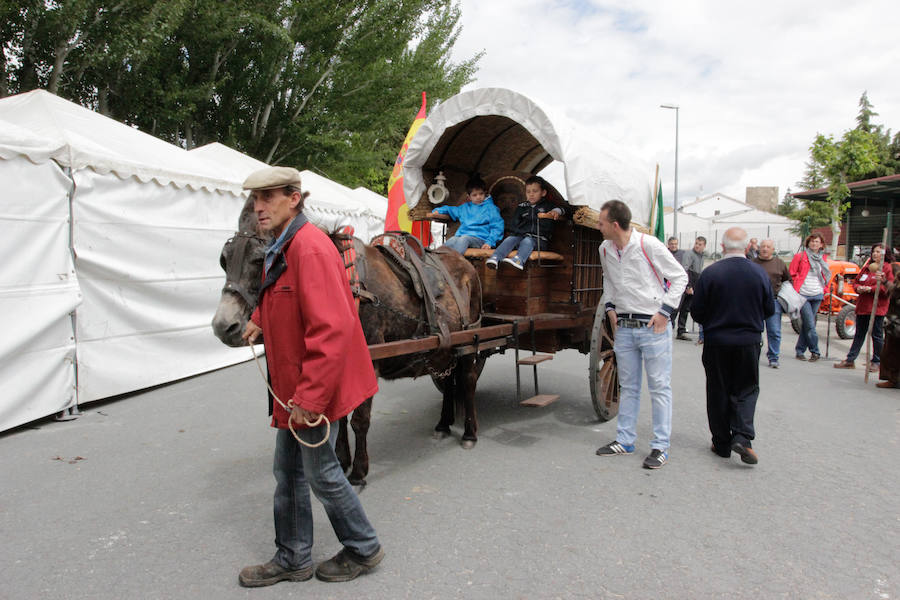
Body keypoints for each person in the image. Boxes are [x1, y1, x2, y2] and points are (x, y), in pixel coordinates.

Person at [239, 167, 383, 587]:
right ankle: (295, 557)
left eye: (268, 197)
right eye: (255, 199)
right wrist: (259, 317)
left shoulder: (310, 248)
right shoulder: (287, 243)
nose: (258, 207)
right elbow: (284, 293)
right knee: (289, 472)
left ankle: (363, 547)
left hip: (313, 386)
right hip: (297, 386)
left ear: (294, 198)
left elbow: (331, 328)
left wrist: (310, 398)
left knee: (320, 473)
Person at [594, 200, 688, 469]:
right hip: (625, 327)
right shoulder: (605, 249)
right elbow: (609, 280)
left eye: (601, 223)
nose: (598, 227)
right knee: (629, 386)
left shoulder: (649, 245)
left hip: (652, 326)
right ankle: (624, 440)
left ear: (614, 225)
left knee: (659, 387)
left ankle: (660, 446)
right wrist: (611, 309)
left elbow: (680, 277)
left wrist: (665, 312)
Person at [691, 227, 774, 465]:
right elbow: (769, 309)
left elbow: (697, 311)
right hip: (748, 340)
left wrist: (713, 321)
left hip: (717, 340)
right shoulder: (759, 274)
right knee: (746, 389)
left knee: (718, 389)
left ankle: (721, 442)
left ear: (722, 247)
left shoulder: (711, 273)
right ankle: (743, 436)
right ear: (748, 247)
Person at [833, 243, 894, 371]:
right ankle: (850, 360)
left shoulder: (887, 268)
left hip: (877, 308)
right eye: (874, 251)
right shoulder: (867, 267)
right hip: (863, 306)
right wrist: (859, 288)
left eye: (879, 252)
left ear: (884, 254)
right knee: (859, 334)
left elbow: (887, 289)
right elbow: (856, 282)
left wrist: (871, 289)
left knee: (876, 335)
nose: (875, 254)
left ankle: (877, 361)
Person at [485, 175, 564, 270]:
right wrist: (515, 234)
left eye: (535, 191)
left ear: (543, 193)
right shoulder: (522, 207)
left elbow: (564, 208)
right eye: (528, 192)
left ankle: (519, 261)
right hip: (522, 237)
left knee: (528, 240)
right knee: (510, 239)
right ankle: (495, 258)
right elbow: (515, 223)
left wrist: (557, 211)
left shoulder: (548, 205)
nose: (531, 194)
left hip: (539, 240)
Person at [430, 174, 503, 255]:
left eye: (481, 194)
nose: (478, 197)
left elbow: (497, 227)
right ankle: (435, 259)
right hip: (462, 237)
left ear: (485, 193)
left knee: (464, 239)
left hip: (481, 240)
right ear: (469, 197)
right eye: (474, 195)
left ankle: (455, 260)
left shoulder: (491, 208)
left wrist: (490, 242)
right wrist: (438, 210)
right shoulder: (464, 208)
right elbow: (452, 209)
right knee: (452, 240)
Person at [753, 239, 792, 368]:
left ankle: (773, 357)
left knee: (774, 331)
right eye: (763, 246)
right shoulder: (752, 263)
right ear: (759, 248)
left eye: (768, 247)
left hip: (773, 301)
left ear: (773, 249)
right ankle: (753, 355)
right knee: (753, 330)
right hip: (755, 301)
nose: (765, 249)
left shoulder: (779, 263)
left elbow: (787, 280)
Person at [789, 233, 829, 362]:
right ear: (808, 243)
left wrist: (826, 289)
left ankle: (800, 350)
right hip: (803, 294)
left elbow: (825, 276)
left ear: (821, 244)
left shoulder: (823, 258)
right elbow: (792, 274)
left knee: (807, 324)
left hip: (817, 294)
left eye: (817, 242)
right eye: (812, 241)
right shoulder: (799, 257)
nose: (814, 244)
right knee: (810, 325)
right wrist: (796, 289)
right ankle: (815, 351)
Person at [675, 236, 706, 341]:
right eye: (696, 243)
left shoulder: (701, 256)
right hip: (687, 282)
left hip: (695, 282)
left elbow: (699, 271)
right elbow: (685, 269)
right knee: (677, 307)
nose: (697, 245)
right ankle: (668, 326)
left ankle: (681, 331)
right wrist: (688, 286)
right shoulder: (689, 254)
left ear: (704, 246)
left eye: (700, 244)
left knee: (685, 308)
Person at [877, 261, 900, 388]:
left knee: (891, 352)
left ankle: (893, 379)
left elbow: (896, 291)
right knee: (890, 352)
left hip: (897, 322)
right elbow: (893, 291)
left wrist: (886, 282)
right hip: (894, 321)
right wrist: (885, 282)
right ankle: (893, 378)